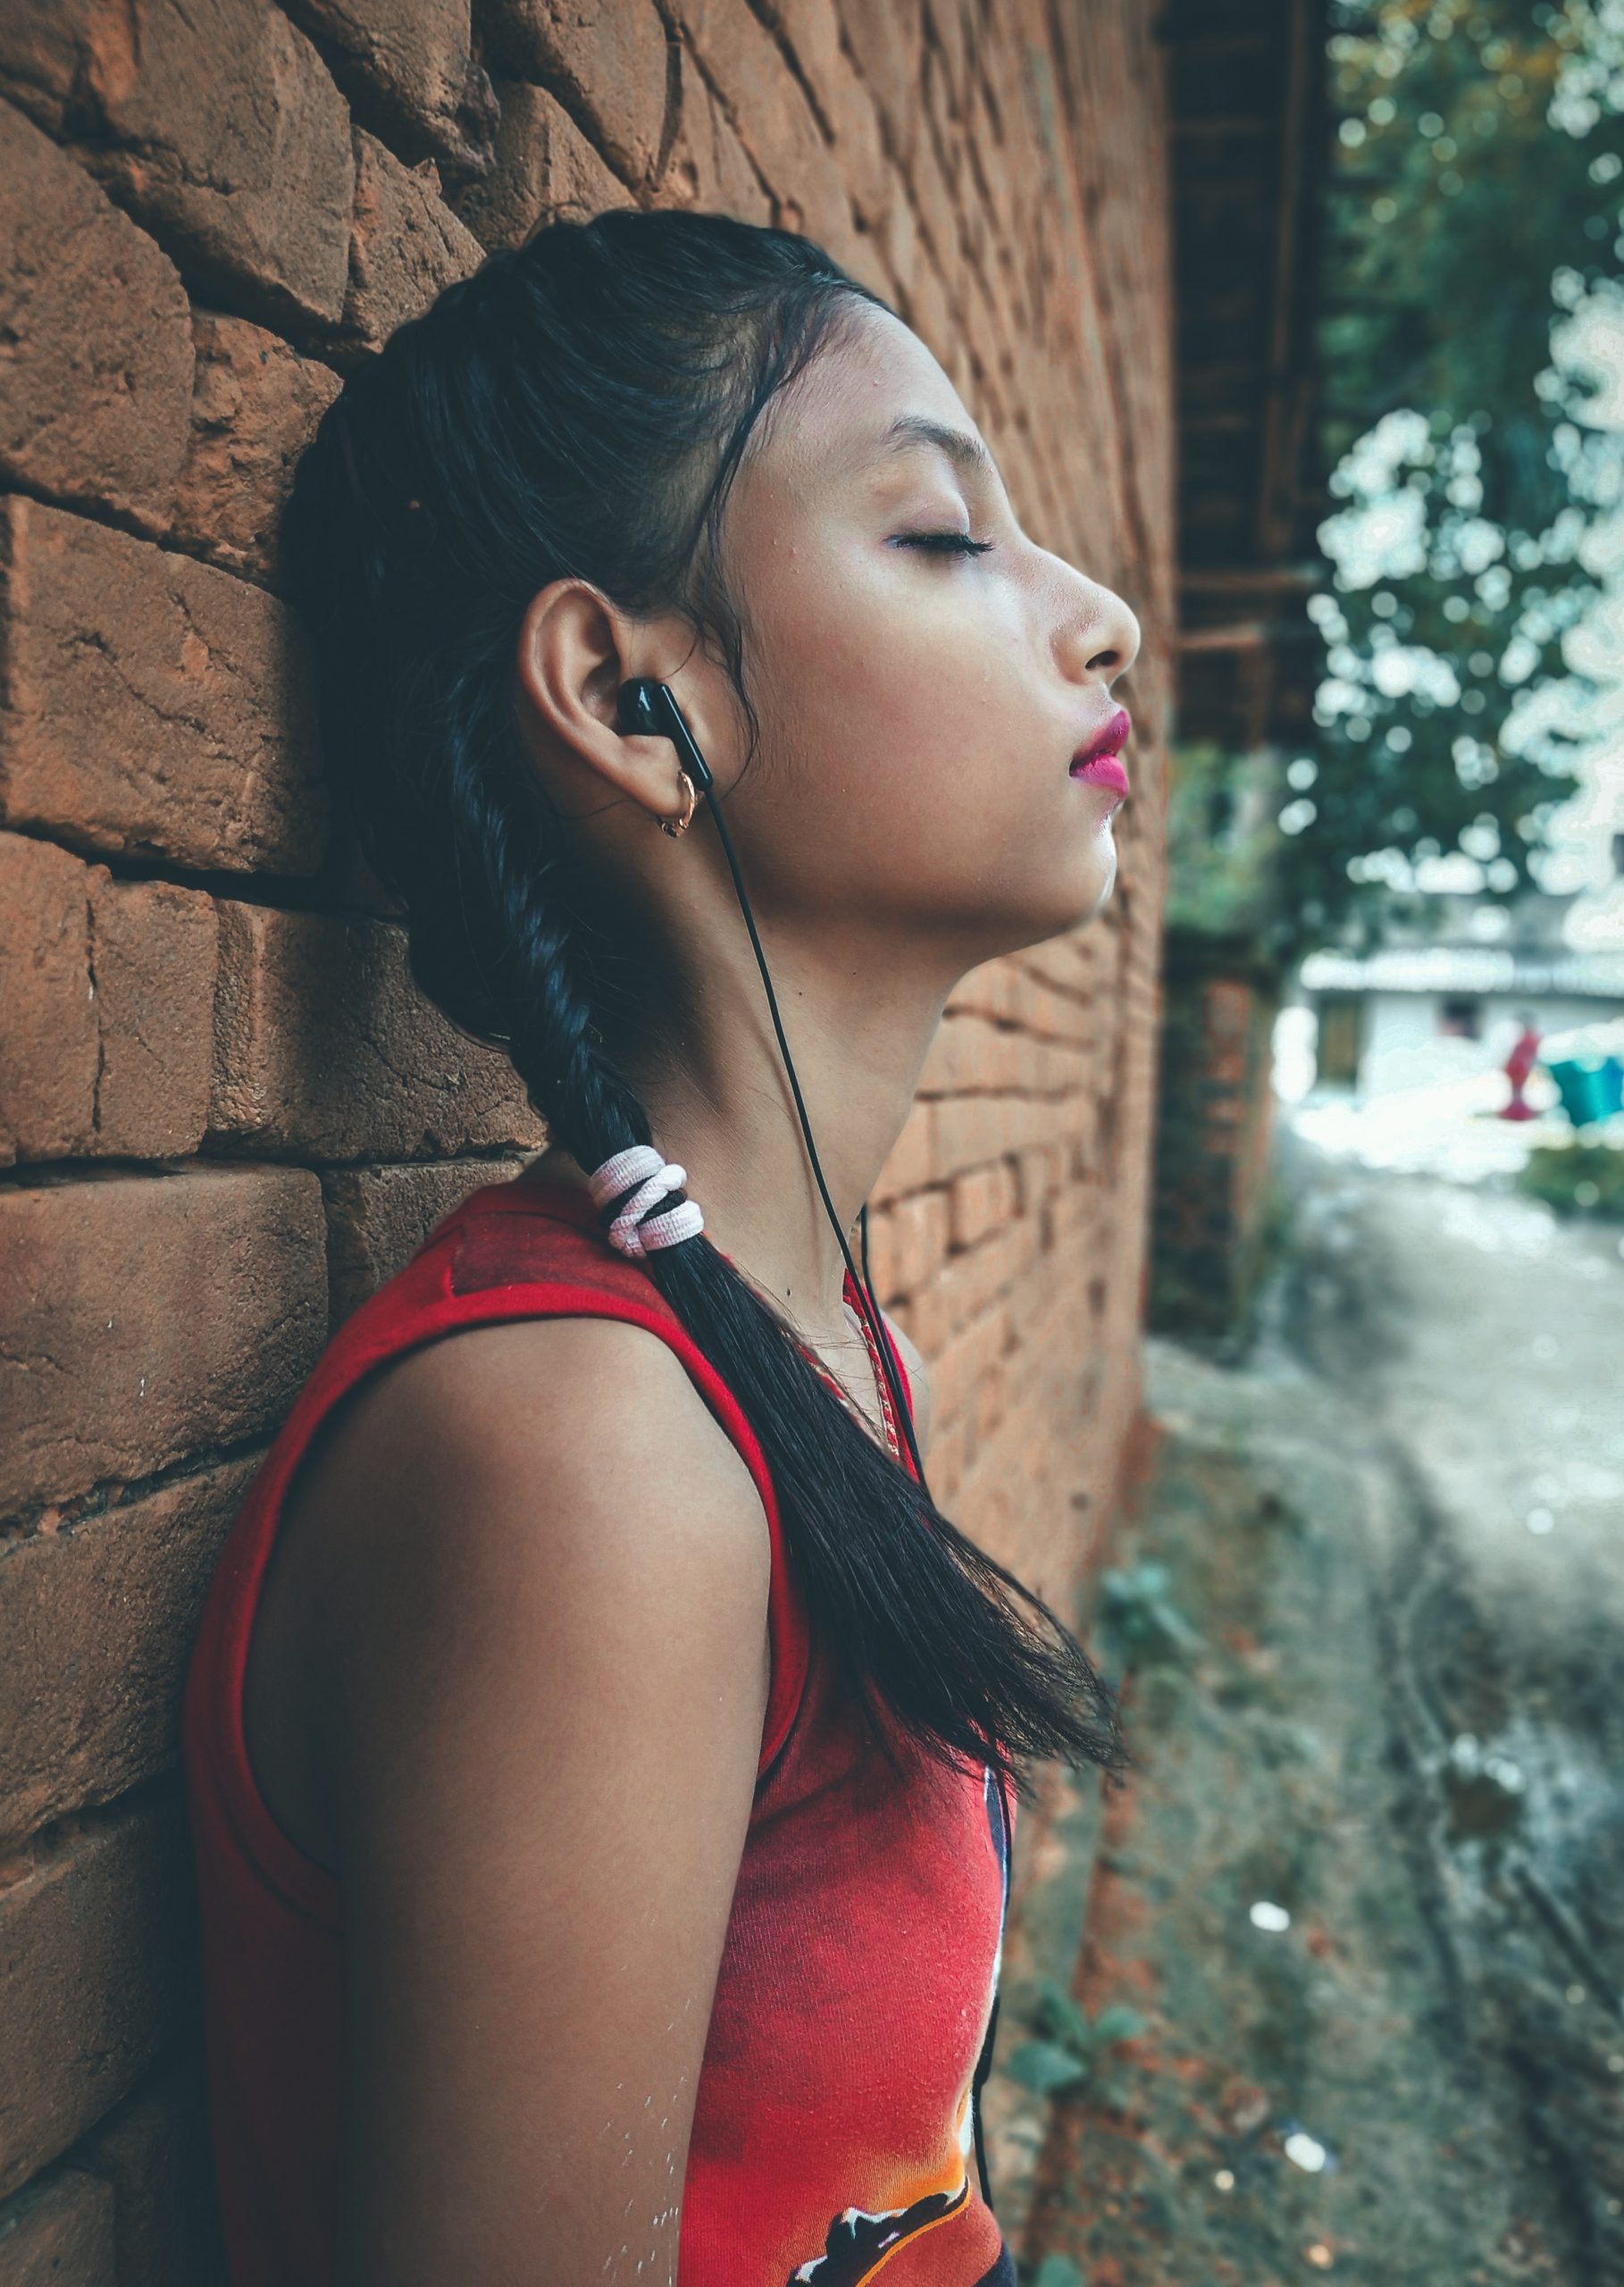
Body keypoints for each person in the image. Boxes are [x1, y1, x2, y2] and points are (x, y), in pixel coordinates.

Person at [181, 208, 1142, 2287]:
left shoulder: (783, 1340)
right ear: (634, 701)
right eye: (943, 537)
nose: (1106, 618)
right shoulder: (585, 1452)